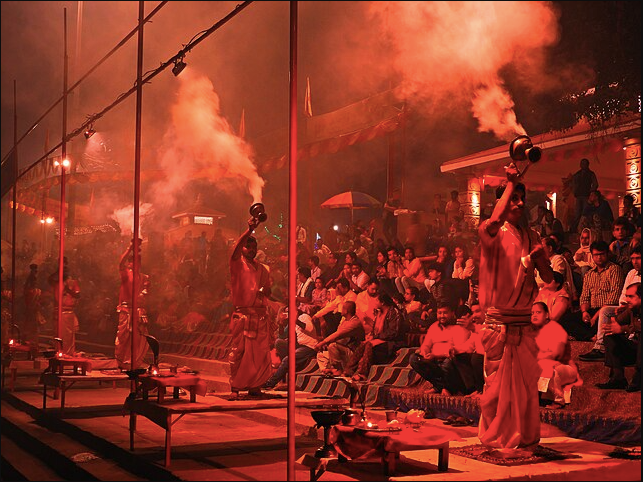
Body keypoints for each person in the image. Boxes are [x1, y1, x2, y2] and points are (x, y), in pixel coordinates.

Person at [476, 162, 554, 454]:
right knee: (496, 391)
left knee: (525, 389)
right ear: (501, 203)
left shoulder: (532, 236)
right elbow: (495, 221)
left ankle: (524, 436)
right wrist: (510, 182)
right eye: (513, 199)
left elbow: (548, 279)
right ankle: (495, 436)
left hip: (524, 322)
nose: (519, 204)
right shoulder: (490, 231)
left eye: (522, 199)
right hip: (498, 324)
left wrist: (540, 259)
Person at [228, 216, 273, 399]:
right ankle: (235, 388)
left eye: (254, 247)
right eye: (248, 246)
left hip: (260, 317)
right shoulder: (237, 264)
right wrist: (249, 230)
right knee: (240, 352)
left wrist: (265, 292)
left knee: (261, 354)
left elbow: (267, 291)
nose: (252, 250)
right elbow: (234, 250)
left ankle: (255, 386)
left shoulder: (263, 268)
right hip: (243, 316)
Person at [579, 246, 640, 362]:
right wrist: (584, 311)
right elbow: (623, 294)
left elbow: (615, 295)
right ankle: (600, 347)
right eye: (632, 258)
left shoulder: (614, 269)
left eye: (638, 258)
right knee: (606, 315)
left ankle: (628, 339)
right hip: (625, 307)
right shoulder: (632, 273)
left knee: (606, 312)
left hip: (635, 309)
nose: (635, 262)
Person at [531, 301, 581, 409]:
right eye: (532, 313)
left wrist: (535, 358)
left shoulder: (556, 328)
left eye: (538, 312)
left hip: (564, 367)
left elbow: (556, 354)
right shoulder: (530, 331)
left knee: (550, 370)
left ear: (547, 315)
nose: (534, 315)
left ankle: (559, 401)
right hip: (541, 365)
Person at [595, 282, 641, 392]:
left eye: (631, 296)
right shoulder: (631, 309)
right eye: (626, 296)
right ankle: (617, 377)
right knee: (610, 335)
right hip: (635, 350)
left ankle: (639, 377)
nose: (627, 299)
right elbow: (617, 321)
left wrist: (623, 329)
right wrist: (614, 323)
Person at [115, 240, 150, 369]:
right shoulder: (125, 274)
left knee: (138, 338)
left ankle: (134, 361)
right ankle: (121, 362)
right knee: (123, 337)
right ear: (129, 263)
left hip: (138, 311)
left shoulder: (144, 277)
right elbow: (120, 262)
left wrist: (143, 294)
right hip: (126, 310)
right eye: (132, 261)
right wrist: (130, 248)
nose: (135, 264)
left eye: (137, 262)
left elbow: (146, 291)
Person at [314, 300, 365, 376]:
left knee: (332, 346)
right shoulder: (345, 321)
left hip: (353, 353)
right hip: (344, 351)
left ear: (346, 311)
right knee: (320, 355)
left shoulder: (355, 322)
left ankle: (338, 370)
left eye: (342, 308)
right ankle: (329, 370)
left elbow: (337, 335)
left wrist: (322, 343)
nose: (340, 309)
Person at [570, 158, 598, 233]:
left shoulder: (590, 174)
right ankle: (575, 229)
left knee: (585, 212)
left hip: (586, 196)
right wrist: (575, 191)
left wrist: (591, 192)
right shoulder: (577, 174)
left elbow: (595, 184)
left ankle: (582, 228)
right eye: (582, 163)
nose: (583, 165)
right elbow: (573, 184)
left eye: (584, 164)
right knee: (578, 213)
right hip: (580, 195)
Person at [22, 263, 43, 347]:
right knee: (29, 327)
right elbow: (29, 301)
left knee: (33, 328)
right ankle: (28, 343)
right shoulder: (31, 292)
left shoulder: (36, 291)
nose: (35, 282)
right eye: (33, 281)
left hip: (33, 312)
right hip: (30, 311)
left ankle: (33, 344)